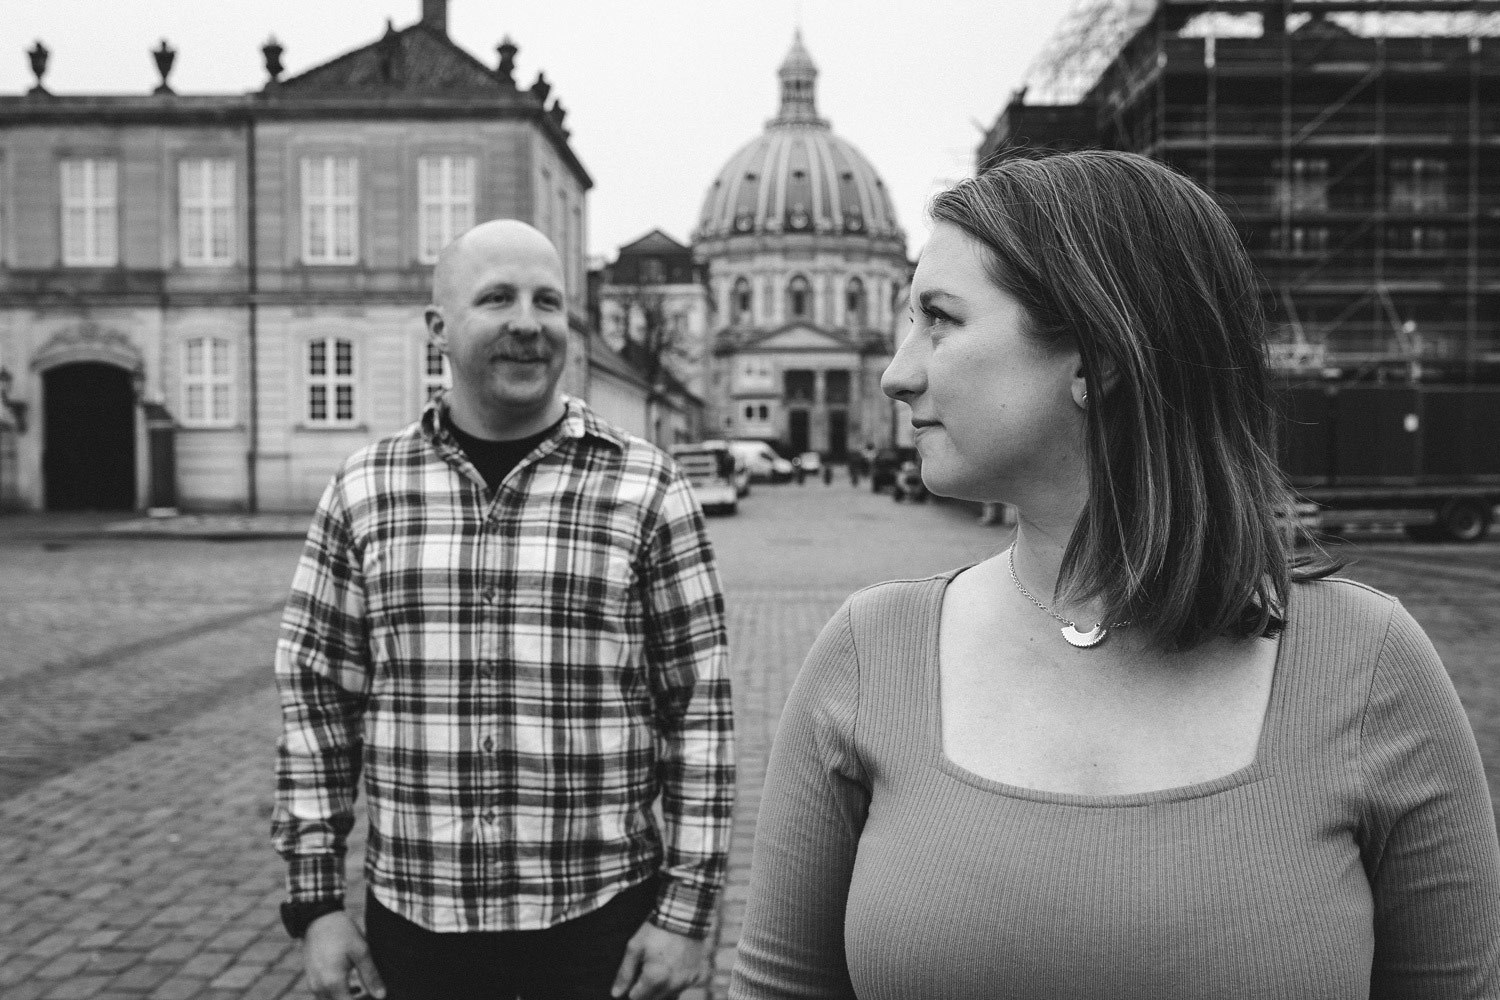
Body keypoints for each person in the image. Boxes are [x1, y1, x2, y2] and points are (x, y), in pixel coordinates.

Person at [730, 151, 1500, 998]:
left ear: (1099, 356)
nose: (896, 372)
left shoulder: (1371, 666)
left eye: (940, 319)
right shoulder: (867, 654)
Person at [273, 220, 734, 1000]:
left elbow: (697, 711)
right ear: (439, 330)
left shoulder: (647, 488)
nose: (528, 321)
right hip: (419, 927)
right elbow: (316, 702)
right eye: (497, 298)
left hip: (604, 926)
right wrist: (316, 904)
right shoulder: (365, 490)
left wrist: (685, 914)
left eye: (547, 301)